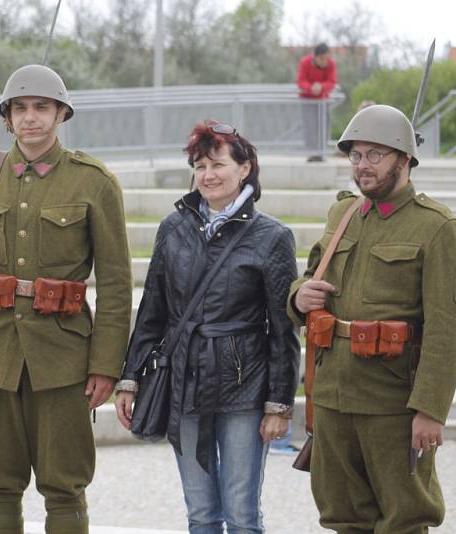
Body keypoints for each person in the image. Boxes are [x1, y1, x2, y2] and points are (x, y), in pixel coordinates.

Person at [0, 64, 132, 534]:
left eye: (42, 108)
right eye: (20, 109)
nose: (31, 118)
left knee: (64, 485)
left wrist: (106, 365)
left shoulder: (94, 182)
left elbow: (114, 283)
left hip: (63, 355)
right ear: (7, 117)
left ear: (61, 114)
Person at [115, 120, 300, 533]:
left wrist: (279, 403)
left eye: (217, 164)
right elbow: (152, 311)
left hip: (245, 384)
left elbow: (283, 328)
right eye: (199, 166)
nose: (208, 175)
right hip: (186, 380)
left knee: (241, 514)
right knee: (200, 514)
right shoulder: (172, 229)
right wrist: (129, 379)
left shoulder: (273, 237)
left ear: (245, 168)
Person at [288, 104, 456, 532]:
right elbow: (309, 281)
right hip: (332, 396)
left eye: (374, 155)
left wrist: (430, 411)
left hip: (392, 403)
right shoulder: (342, 215)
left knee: (404, 518)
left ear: (404, 160)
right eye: (355, 155)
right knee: (342, 517)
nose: (362, 166)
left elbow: (447, 328)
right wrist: (297, 296)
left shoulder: (437, 227)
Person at [297, 43, 337, 162]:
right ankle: (311, 153)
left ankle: (321, 152)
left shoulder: (331, 64)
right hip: (307, 100)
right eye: (322, 59)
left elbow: (332, 81)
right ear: (315, 56)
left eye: (327, 58)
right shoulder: (305, 62)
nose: (325, 61)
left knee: (324, 126)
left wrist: (321, 87)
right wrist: (311, 88)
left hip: (323, 101)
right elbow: (301, 80)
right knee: (310, 127)